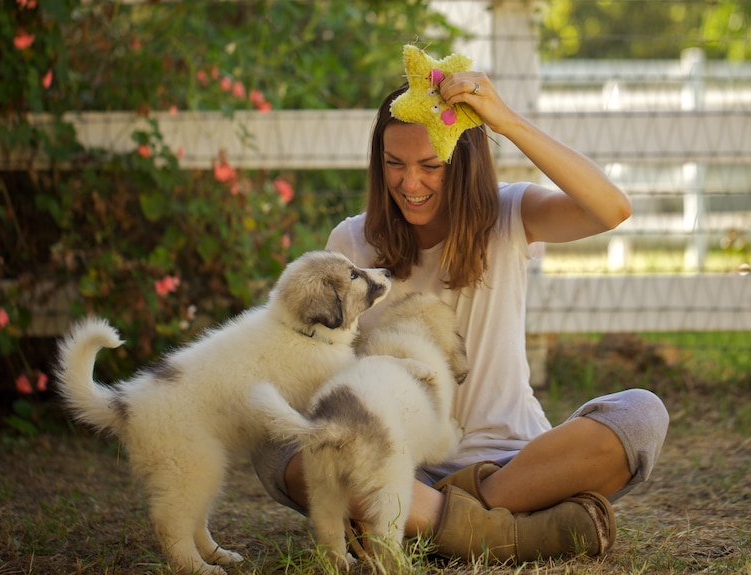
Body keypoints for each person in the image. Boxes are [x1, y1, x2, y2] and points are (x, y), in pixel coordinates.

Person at [254, 70, 670, 563]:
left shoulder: (510, 214)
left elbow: (611, 209)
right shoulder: (351, 242)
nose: (410, 183)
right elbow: (325, 369)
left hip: (516, 464)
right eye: (395, 164)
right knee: (272, 439)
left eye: (431, 165)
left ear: (465, 163)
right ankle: (494, 534)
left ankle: (427, 522)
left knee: (641, 415)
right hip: (393, 463)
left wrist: (506, 121)